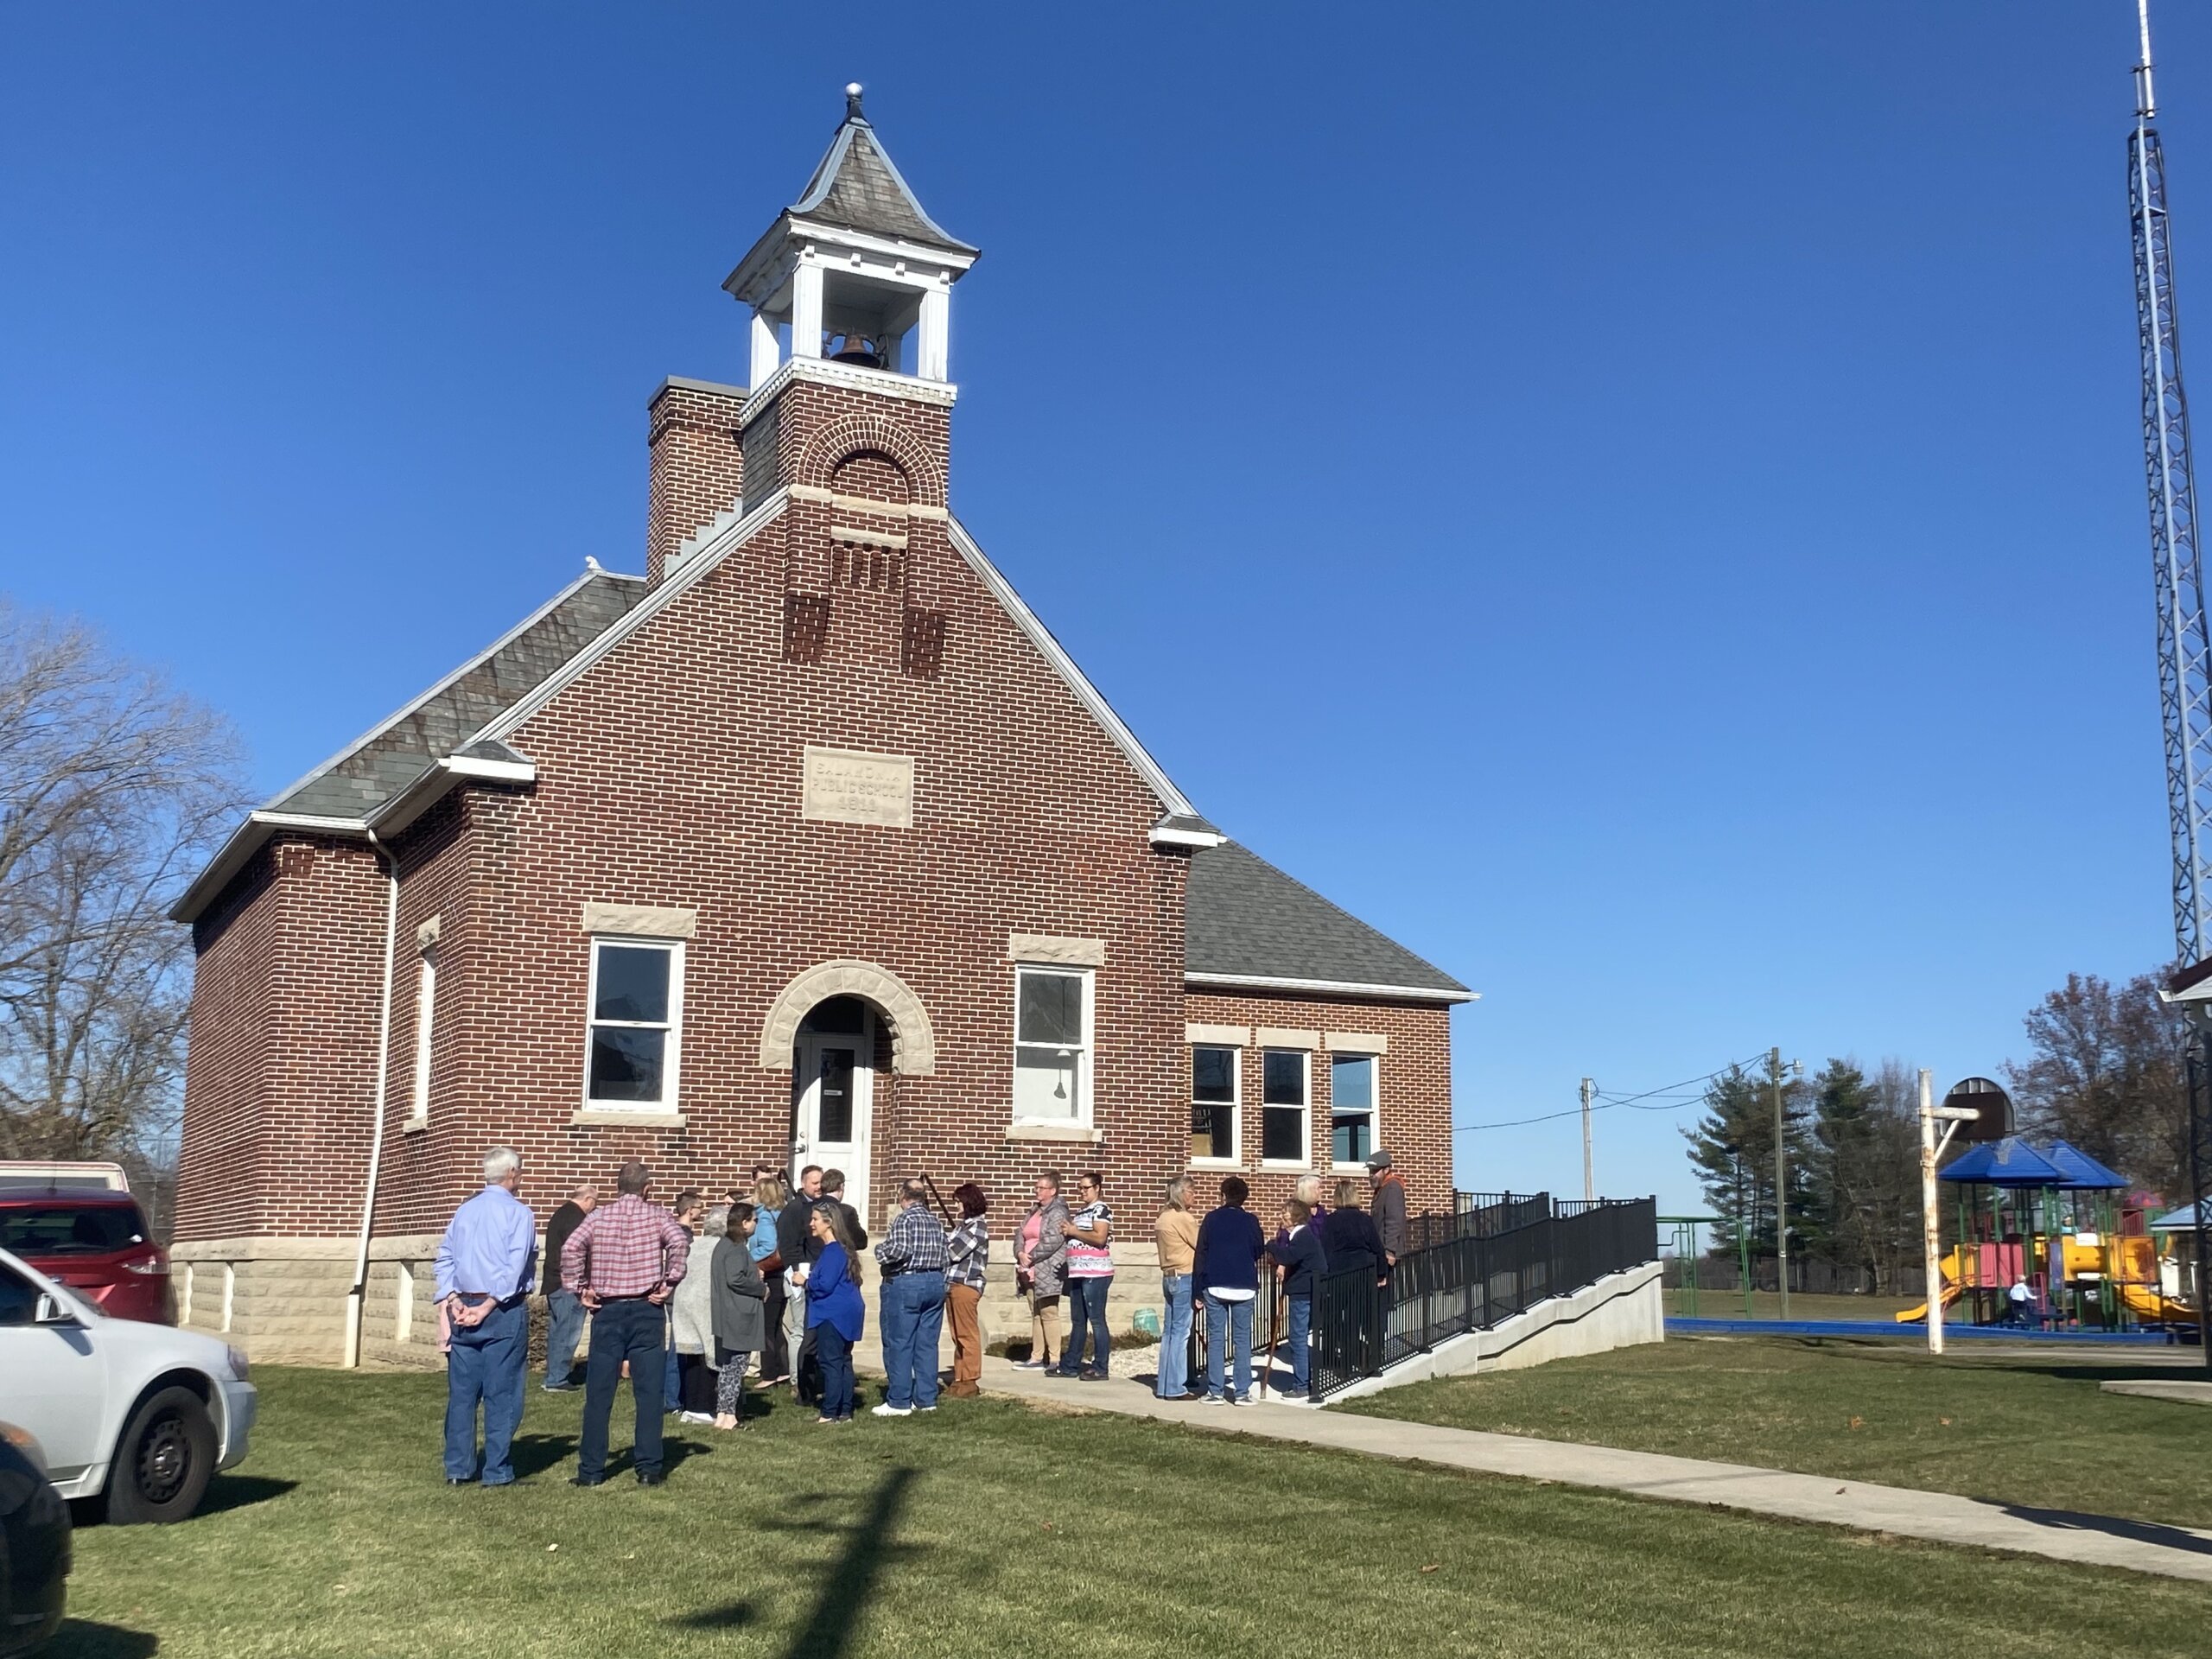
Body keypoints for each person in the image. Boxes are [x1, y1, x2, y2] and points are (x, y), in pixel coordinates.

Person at [561, 1160, 693, 1486]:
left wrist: (579, 1288)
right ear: (647, 1189)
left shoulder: (598, 1216)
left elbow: (570, 1248)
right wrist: (670, 1281)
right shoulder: (659, 1216)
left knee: (599, 1394)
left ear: (617, 1186)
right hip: (647, 1308)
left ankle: (591, 1471)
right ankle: (648, 1468)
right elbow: (680, 1242)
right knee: (649, 1393)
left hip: (608, 1310)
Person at [434, 1146, 537, 1486]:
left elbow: (444, 1256)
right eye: (519, 1173)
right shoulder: (519, 1214)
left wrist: (452, 1298)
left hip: (462, 1306)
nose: (520, 1179)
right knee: (503, 1393)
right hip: (501, 1310)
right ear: (510, 1175)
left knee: (462, 1395)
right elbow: (513, 1266)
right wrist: (488, 1306)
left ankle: (458, 1468)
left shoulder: (464, 1212)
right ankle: (497, 1470)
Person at [873, 1179, 950, 1416]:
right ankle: (926, 1399)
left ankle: (899, 1401)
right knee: (927, 1344)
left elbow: (900, 1250)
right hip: (935, 1281)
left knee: (900, 1342)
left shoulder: (905, 1219)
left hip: (907, 1282)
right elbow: (947, 1253)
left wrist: (880, 1250)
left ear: (902, 1196)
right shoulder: (935, 1220)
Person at [1192, 1175, 1264, 1405]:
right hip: (1244, 1285)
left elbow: (1201, 1253)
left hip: (1215, 1284)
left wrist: (1197, 1289)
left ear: (1223, 1195)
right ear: (1244, 1198)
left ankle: (1216, 1391)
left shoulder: (1211, 1219)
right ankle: (1242, 1392)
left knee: (1216, 1339)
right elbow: (1258, 1249)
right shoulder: (1251, 1221)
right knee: (1242, 1339)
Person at [804, 1202, 866, 1424]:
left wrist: (806, 1281)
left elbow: (825, 1284)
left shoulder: (833, 1251)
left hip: (833, 1312)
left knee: (831, 1362)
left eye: (816, 1220)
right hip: (847, 1310)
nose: (811, 1224)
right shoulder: (843, 1250)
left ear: (828, 1223)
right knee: (843, 1361)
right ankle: (844, 1411)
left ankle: (829, 1412)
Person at [1321, 1178, 1389, 1376]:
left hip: (1338, 1273)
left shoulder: (1330, 1221)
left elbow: (1325, 1249)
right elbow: (1377, 1248)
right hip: (1362, 1273)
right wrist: (1381, 1273)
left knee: (1335, 1318)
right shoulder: (1364, 1220)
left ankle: (1337, 1362)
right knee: (1356, 1319)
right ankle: (1361, 1363)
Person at [711, 1204, 767, 1430]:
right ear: (744, 1223)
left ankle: (723, 1414)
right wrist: (760, 1287)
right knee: (735, 1367)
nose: (756, 1224)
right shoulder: (735, 1247)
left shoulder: (723, 1245)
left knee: (728, 1368)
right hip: (737, 1315)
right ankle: (729, 1416)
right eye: (754, 1220)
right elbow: (735, 1279)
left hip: (727, 1313)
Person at [1055, 1171, 1115, 1380]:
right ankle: (1071, 1364)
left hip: (1096, 1273)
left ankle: (1100, 1366)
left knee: (1097, 1320)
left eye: (1086, 1187)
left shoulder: (1101, 1209)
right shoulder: (1081, 1212)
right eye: (1079, 1188)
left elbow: (1099, 1237)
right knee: (1078, 1320)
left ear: (1097, 1187)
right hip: (1078, 1272)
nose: (1082, 1191)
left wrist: (1073, 1231)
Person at [670, 1204, 725, 1423]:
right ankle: (704, 1407)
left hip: (685, 1305)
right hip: (707, 1306)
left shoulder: (696, 1245)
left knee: (692, 1357)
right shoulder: (724, 1248)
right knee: (708, 1358)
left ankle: (690, 1405)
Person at [778, 1166, 828, 1407]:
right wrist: (795, 1269)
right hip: (799, 1272)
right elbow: (787, 1244)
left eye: (821, 1182)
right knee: (800, 1328)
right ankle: (797, 1381)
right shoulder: (795, 1209)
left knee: (812, 1330)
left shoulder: (820, 1208)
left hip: (816, 1272)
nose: (818, 1187)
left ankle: (814, 1376)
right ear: (803, 1183)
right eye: (814, 1182)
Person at [540, 1183, 597, 1391]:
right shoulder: (577, 1219)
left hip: (553, 1282)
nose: (594, 1208)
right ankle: (557, 1378)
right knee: (568, 1332)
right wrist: (582, 1283)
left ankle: (554, 1375)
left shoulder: (560, 1214)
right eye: (594, 1203)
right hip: (568, 1285)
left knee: (558, 1331)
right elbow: (577, 1253)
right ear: (588, 1200)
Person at [1270, 1198, 1328, 1396]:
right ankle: (1306, 1380)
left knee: (1297, 1338)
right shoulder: (1302, 1236)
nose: (1281, 1217)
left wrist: (1271, 1246)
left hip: (1303, 1294)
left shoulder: (1302, 1235)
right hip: (1305, 1291)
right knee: (1300, 1337)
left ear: (1295, 1218)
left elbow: (1288, 1257)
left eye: (1284, 1214)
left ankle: (1301, 1385)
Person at [1014, 1172, 1070, 1369]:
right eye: (1036, 1187)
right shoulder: (1034, 1211)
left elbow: (1053, 1241)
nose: (1037, 1191)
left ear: (1053, 1191)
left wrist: (1031, 1257)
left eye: (1041, 1188)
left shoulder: (1058, 1212)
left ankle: (1054, 1358)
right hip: (1028, 1269)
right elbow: (1020, 1233)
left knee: (1049, 1312)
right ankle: (1036, 1357)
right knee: (1036, 1313)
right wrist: (1020, 1252)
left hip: (1046, 1269)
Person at [1154, 1177, 1199, 1401]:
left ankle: (1164, 1384)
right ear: (1180, 1193)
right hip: (1184, 1275)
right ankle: (1175, 1387)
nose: (1194, 1195)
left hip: (1168, 1275)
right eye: (1191, 1191)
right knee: (1181, 1333)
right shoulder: (1183, 1218)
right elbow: (1201, 1246)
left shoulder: (1162, 1218)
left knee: (1170, 1333)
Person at [945, 1183, 990, 1398]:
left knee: (967, 1334)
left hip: (966, 1285)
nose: (956, 1207)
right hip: (952, 1285)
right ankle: (959, 1378)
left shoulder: (977, 1227)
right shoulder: (961, 1227)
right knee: (957, 1335)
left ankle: (970, 1380)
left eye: (958, 1202)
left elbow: (953, 1252)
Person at [664, 1188, 706, 1414]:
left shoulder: (672, 1232)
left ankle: (675, 1397)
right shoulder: (684, 1236)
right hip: (679, 1295)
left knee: (678, 1346)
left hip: (674, 1295)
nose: (702, 1212)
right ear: (690, 1211)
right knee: (677, 1348)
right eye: (700, 1208)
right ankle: (672, 1400)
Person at [749, 1173, 791, 1385]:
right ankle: (783, 1369)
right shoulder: (782, 1214)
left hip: (769, 1273)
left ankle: (769, 1373)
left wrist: (748, 1259)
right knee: (775, 1326)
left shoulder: (764, 1216)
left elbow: (768, 1246)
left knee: (766, 1327)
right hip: (780, 1273)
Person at [1367, 1151, 1408, 1281]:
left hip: (1387, 1256)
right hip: (1379, 1252)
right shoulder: (1381, 1189)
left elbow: (1394, 1221)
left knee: (1386, 1297)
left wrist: (1390, 1251)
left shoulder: (1393, 1188)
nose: (1371, 1175)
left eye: (1375, 1171)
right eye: (1370, 1171)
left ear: (1387, 1170)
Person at [820, 1168, 869, 1249]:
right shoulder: (847, 1212)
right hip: (838, 1258)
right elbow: (861, 1241)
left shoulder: (807, 1208)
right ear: (841, 1186)